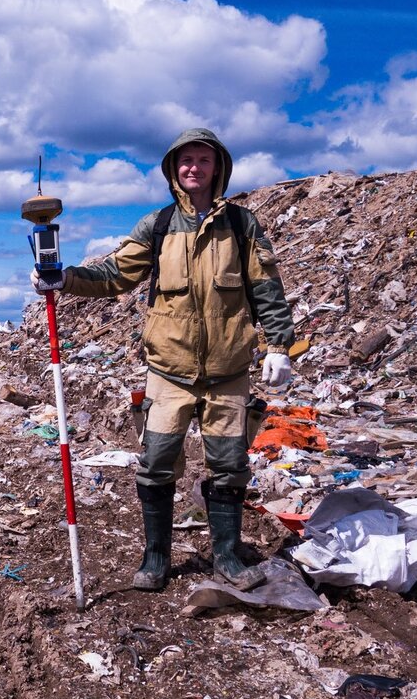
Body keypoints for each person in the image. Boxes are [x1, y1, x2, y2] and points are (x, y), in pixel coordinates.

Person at [30, 128, 293, 592]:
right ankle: (155, 559)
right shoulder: (157, 225)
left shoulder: (243, 225)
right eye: (184, 160)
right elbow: (115, 274)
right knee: (156, 464)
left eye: (203, 160)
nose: (193, 167)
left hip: (228, 373)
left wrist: (279, 346)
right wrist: (63, 278)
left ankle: (228, 558)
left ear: (218, 168)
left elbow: (266, 289)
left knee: (230, 466)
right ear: (174, 169)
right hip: (169, 371)